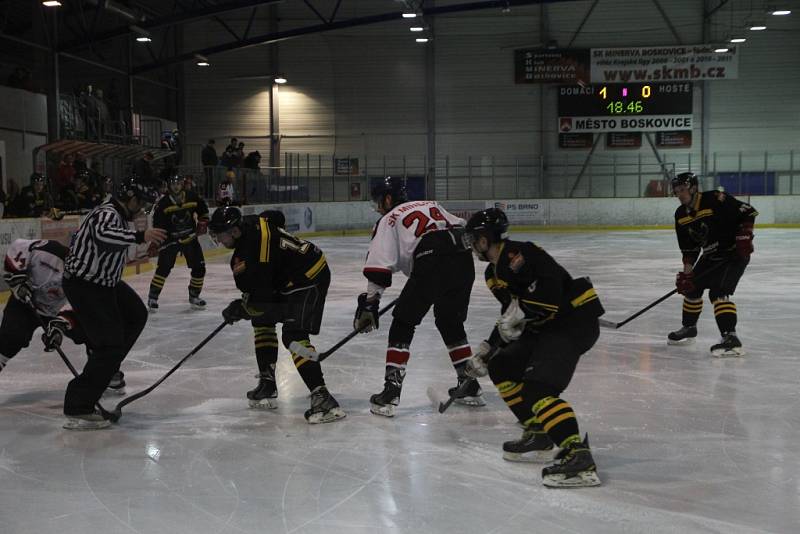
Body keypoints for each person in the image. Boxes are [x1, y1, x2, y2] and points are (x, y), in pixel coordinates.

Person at [462, 208, 604, 488]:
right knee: (501, 366)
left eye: (474, 238)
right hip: (546, 327)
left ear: (486, 238)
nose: (472, 244)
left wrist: (522, 313)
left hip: (572, 323)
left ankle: (579, 456)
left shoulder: (519, 254)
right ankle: (539, 432)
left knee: (538, 389)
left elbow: (549, 295)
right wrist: (488, 349)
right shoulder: (493, 273)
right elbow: (510, 313)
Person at [353, 176, 482, 417]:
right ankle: (469, 383)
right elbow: (463, 227)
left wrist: (370, 303)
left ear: (389, 198)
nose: (378, 206)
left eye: (379, 201)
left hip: (431, 258)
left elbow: (379, 267)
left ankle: (391, 392)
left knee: (403, 322)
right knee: (449, 320)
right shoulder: (431, 204)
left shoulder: (388, 219)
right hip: (463, 259)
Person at [208, 206, 345, 424]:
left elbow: (261, 299)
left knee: (293, 336)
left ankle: (323, 397)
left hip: (308, 277)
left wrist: (241, 309)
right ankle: (268, 382)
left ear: (234, 231)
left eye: (220, 235)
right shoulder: (248, 229)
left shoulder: (256, 249)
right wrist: (246, 307)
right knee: (262, 321)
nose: (218, 239)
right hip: (286, 278)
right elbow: (274, 218)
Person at [61, 178, 166, 429]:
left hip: (104, 283)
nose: (141, 210)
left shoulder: (118, 218)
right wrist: (141, 235)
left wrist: (144, 247)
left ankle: (107, 366)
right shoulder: (107, 214)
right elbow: (104, 236)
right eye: (140, 203)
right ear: (130, 199)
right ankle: (79, 405)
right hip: (87, 285)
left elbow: (114, 248)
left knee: (136, 315)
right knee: (109, 345)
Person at [667, 172, 758, 357]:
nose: (680, 194)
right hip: (710, 255)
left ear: (693, 188)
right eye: (676, 191)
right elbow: (689, 250)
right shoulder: (680, 215)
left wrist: (745, 235)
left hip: (733, 253)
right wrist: (687, 274)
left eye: (683, 190)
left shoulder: (714, 198)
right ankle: (689, 328)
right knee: (691, 289)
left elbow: (748, 211)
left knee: (718, 292)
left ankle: (730, 338)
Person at [0, 239, 103, 381]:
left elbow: (83, 307)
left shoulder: (90, 276)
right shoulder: (48, 250)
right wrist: (17, 279)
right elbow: (18, 246)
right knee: (11, 338)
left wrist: (61, 324)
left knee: (96, 333)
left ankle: (103, 373)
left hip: (57, 311)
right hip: (26, 302)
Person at [147, 175, 209, 312]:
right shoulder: (163, 204)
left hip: (190, 239)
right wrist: (155, 242)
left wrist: (203, 221)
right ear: (169, 185)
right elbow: (158, 226)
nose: (176, 186)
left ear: (182, 184)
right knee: (163, 269)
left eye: (178, 183)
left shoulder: (192, 197)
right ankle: (153, 297)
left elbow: (203, 210)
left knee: (199, 268)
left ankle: (194, 296)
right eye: (173, 183)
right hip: (171, 241)